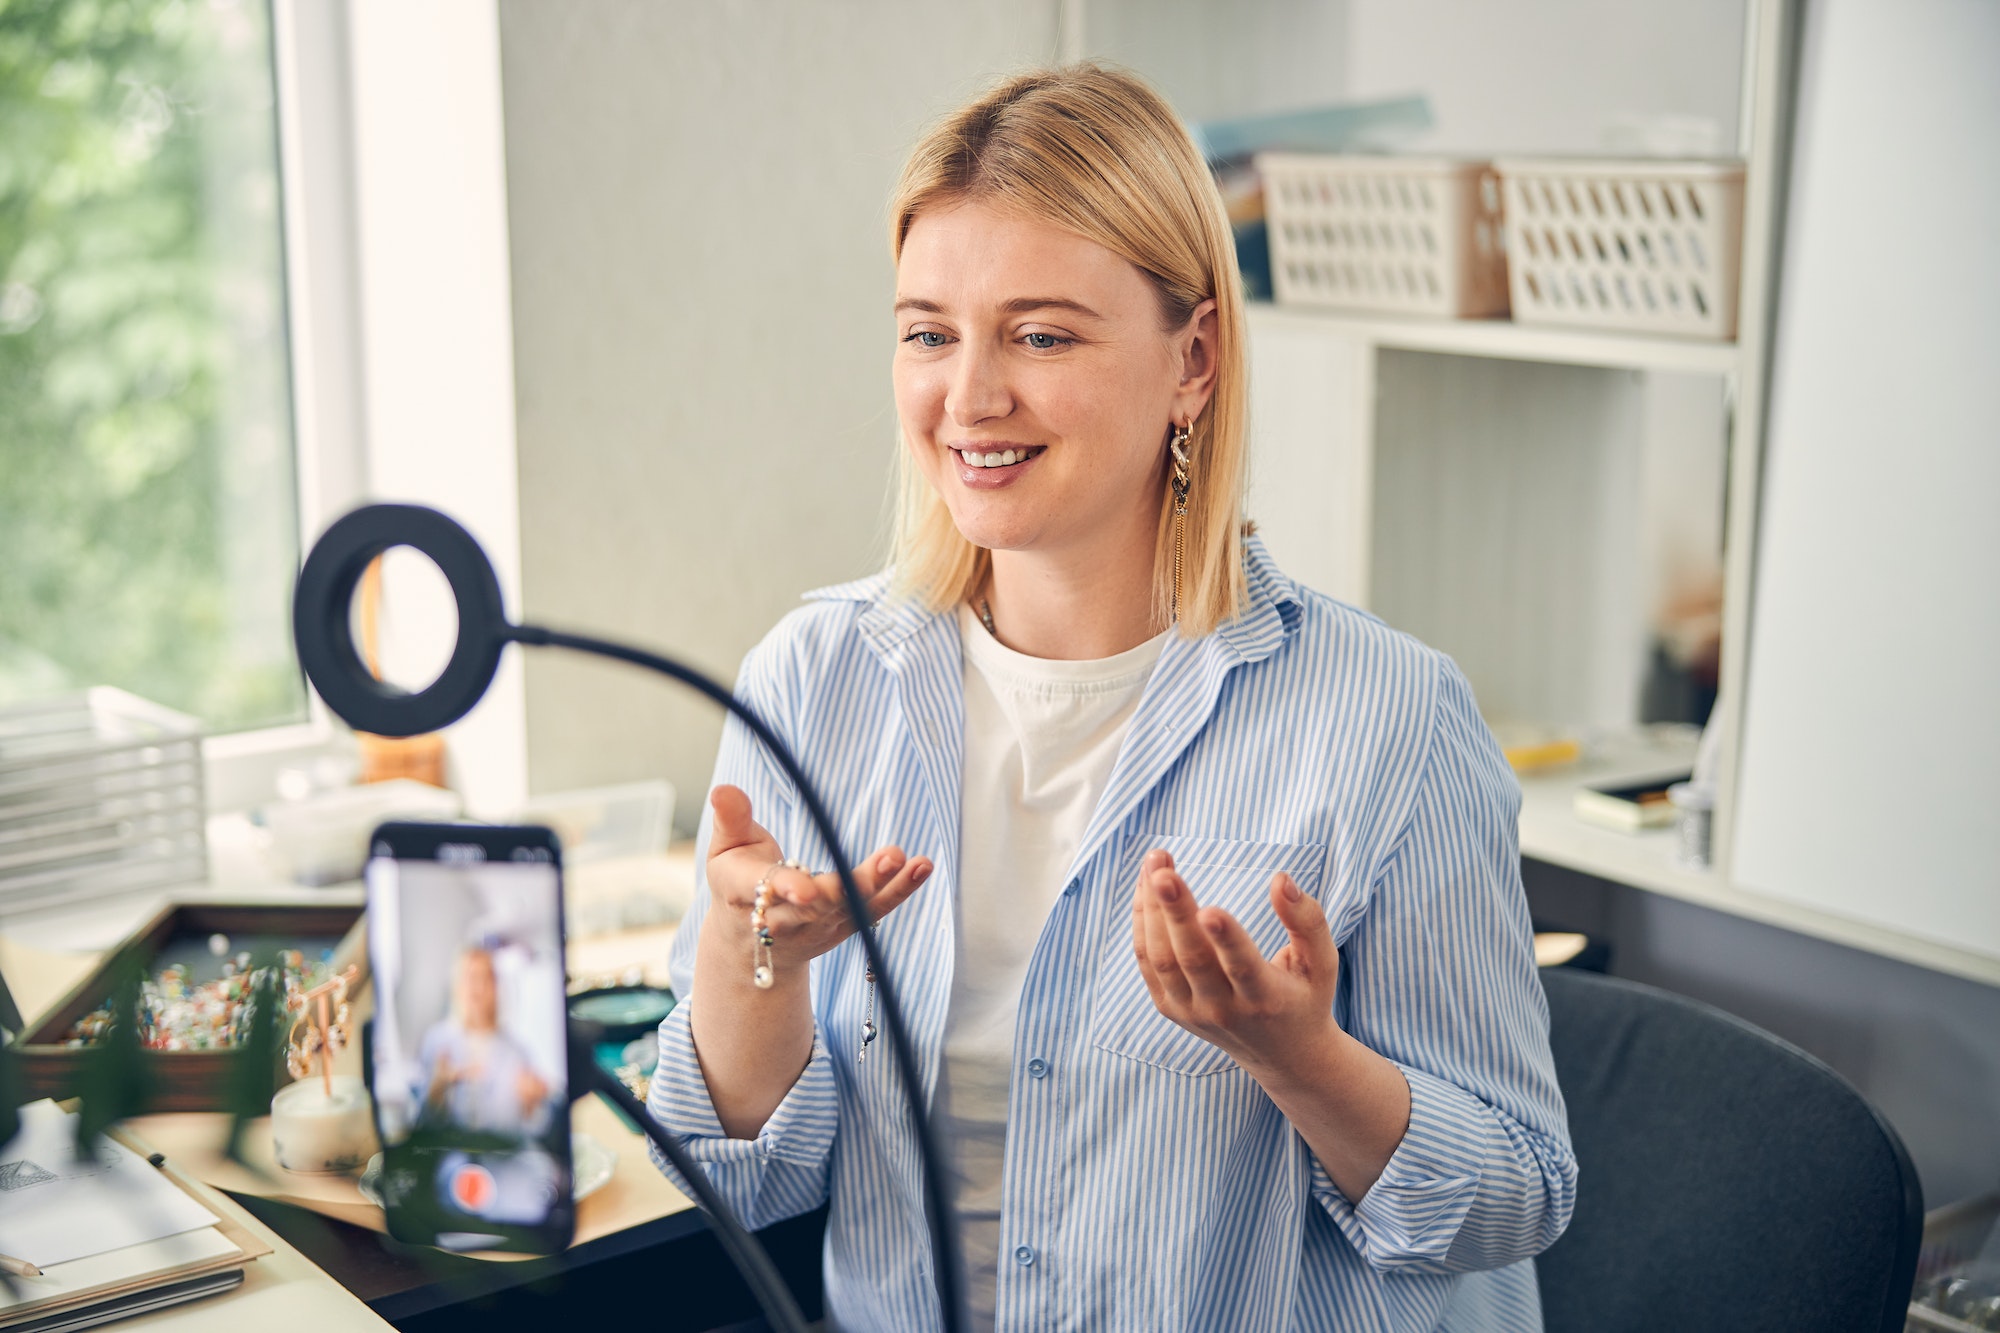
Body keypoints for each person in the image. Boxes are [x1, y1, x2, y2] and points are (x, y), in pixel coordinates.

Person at [649, 63, 1576, 1332]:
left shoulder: (1390, 718)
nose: (969, 397)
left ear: (1192, 358)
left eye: (1040, 336)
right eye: (928, 332)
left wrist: (1298, 1056)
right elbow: (741, 1180)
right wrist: (745, 957)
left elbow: (1514, 1195)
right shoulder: (811, 681)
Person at [416, 946, 553, 1139]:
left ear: (496, 987)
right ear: (457, 985)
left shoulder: (517, 1051)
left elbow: (534, 1130)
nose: (478, 988)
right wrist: (437, 1089)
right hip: (450, 1152)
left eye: (486, 978)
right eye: (471, 977)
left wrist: (531, 1105)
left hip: (503, 1154)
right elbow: (419, 1126)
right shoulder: (436, 1042)